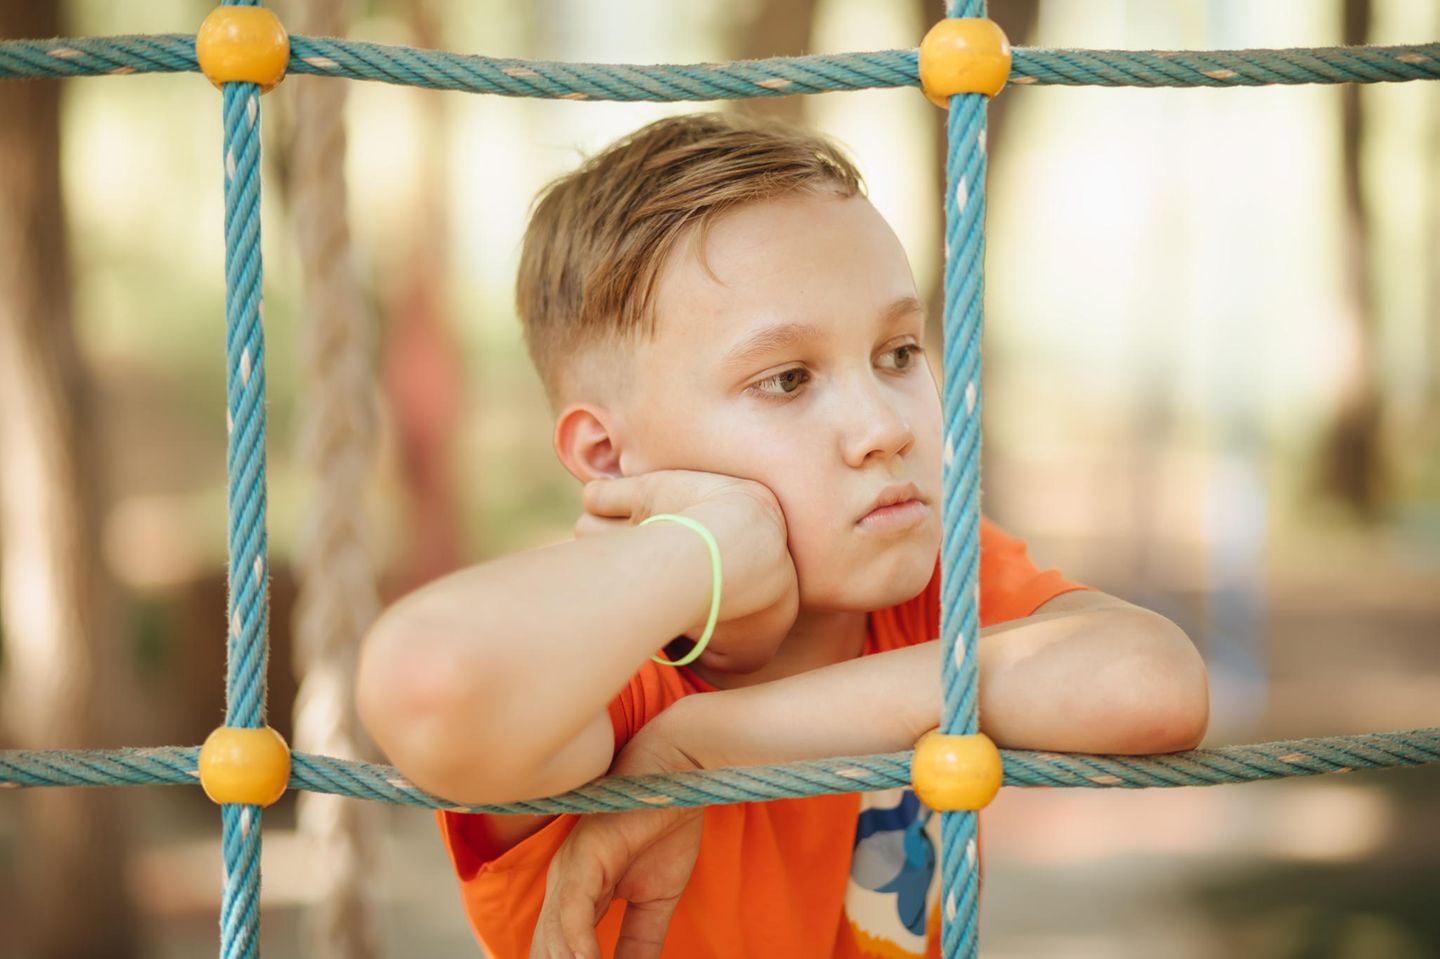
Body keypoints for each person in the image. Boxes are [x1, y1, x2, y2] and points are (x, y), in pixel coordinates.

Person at [355, 112, 1210, 959]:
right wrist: (708, 546)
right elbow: (432, 682)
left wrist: (707, 747)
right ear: (608, 456)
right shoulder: (602, 677)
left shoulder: (929, 577)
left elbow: (1152, 682)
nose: (884, 425)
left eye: (899, 353)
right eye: (787, 379)